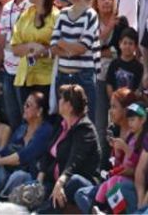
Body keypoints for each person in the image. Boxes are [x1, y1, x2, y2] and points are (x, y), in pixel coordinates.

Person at [34, 84, 101, 213]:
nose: (58, 101)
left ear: (69, 106)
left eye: (61, 99)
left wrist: (61, 181)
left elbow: (74, 161)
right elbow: (48, 153)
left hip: (81, 182)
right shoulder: (62, 125)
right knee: (32, 189)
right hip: (56, 179)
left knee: (71, 183)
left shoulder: (85, 129)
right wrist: (40, 176)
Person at [51, 0, 100, 121]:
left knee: (85, 121)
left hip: (83, 77)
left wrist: (63, 43)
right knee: (64, 122)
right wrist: (70, 50)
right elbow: (53, 45)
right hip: (63, 76)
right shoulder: (63, 13)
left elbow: (83, 47)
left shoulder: (90, 15)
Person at [0, 92, 55, 196]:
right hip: (11, 172)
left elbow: (24, 156)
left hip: (32, 177)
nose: (24, 107)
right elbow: (6, 151)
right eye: (24, 104)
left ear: (39, 111)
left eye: (28, 105)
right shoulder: (22, 128)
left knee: (18, 176)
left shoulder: (46, 130)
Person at [94, 0, 130, 169]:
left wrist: (108, 50)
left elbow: (123, 49)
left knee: (120, 122)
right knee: (100, 123)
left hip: (118, 79)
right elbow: (92, 46)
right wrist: (107, 29)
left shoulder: (121, 22)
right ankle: (100, 164)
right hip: (99, 77)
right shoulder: (93, 21)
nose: (107, 1)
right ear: (96, 2)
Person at [92, 103, 148, 212]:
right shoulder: (130, 137)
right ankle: (98, 209)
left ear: (142, 120)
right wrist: (117, 151)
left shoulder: (146, 139)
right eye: (129, 120)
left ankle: (109, 212)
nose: (130, 123)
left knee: (114, 182)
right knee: (104, 186)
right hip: (123, 173)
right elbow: (120, 162)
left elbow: (139, 164)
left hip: (133, 179)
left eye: (133, 120)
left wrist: (126, 148)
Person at [11, 0, 60, 103]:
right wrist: (31, 46)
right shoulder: (25, 15)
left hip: (47, 79)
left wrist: (44, 51)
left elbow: (60, 48)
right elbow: (14, 48)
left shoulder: (57, 16)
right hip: (24, 78)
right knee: (27, 121)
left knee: (47, 121)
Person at [106, 27, 144, 94]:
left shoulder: (139, 67)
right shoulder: (114, 64)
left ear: (135, 46)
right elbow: (109, 85)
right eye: (125, 43)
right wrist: (113, 100)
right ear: (120, 44)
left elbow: (139, 88)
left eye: (130, 43)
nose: (127, 46)